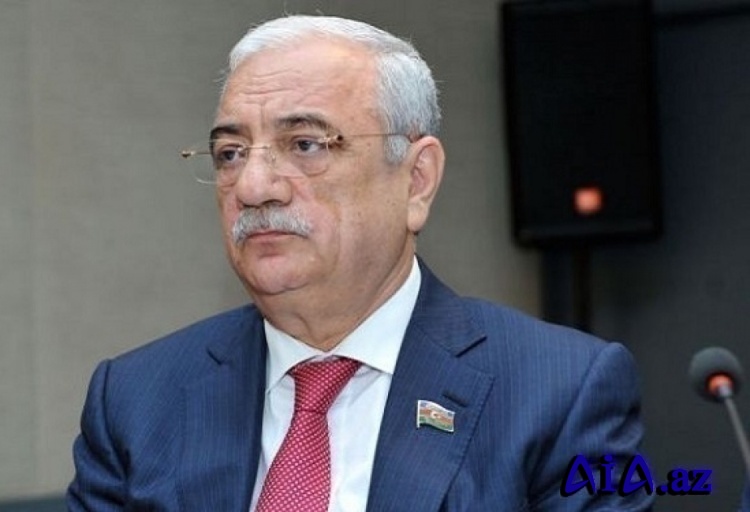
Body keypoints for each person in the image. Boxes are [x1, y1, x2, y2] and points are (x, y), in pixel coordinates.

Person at [67, 14, 653, 511]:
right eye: (230, 153)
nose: (253, 185)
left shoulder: (560, 394)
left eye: (305, 145)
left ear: (416, 180)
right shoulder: (136, 401)